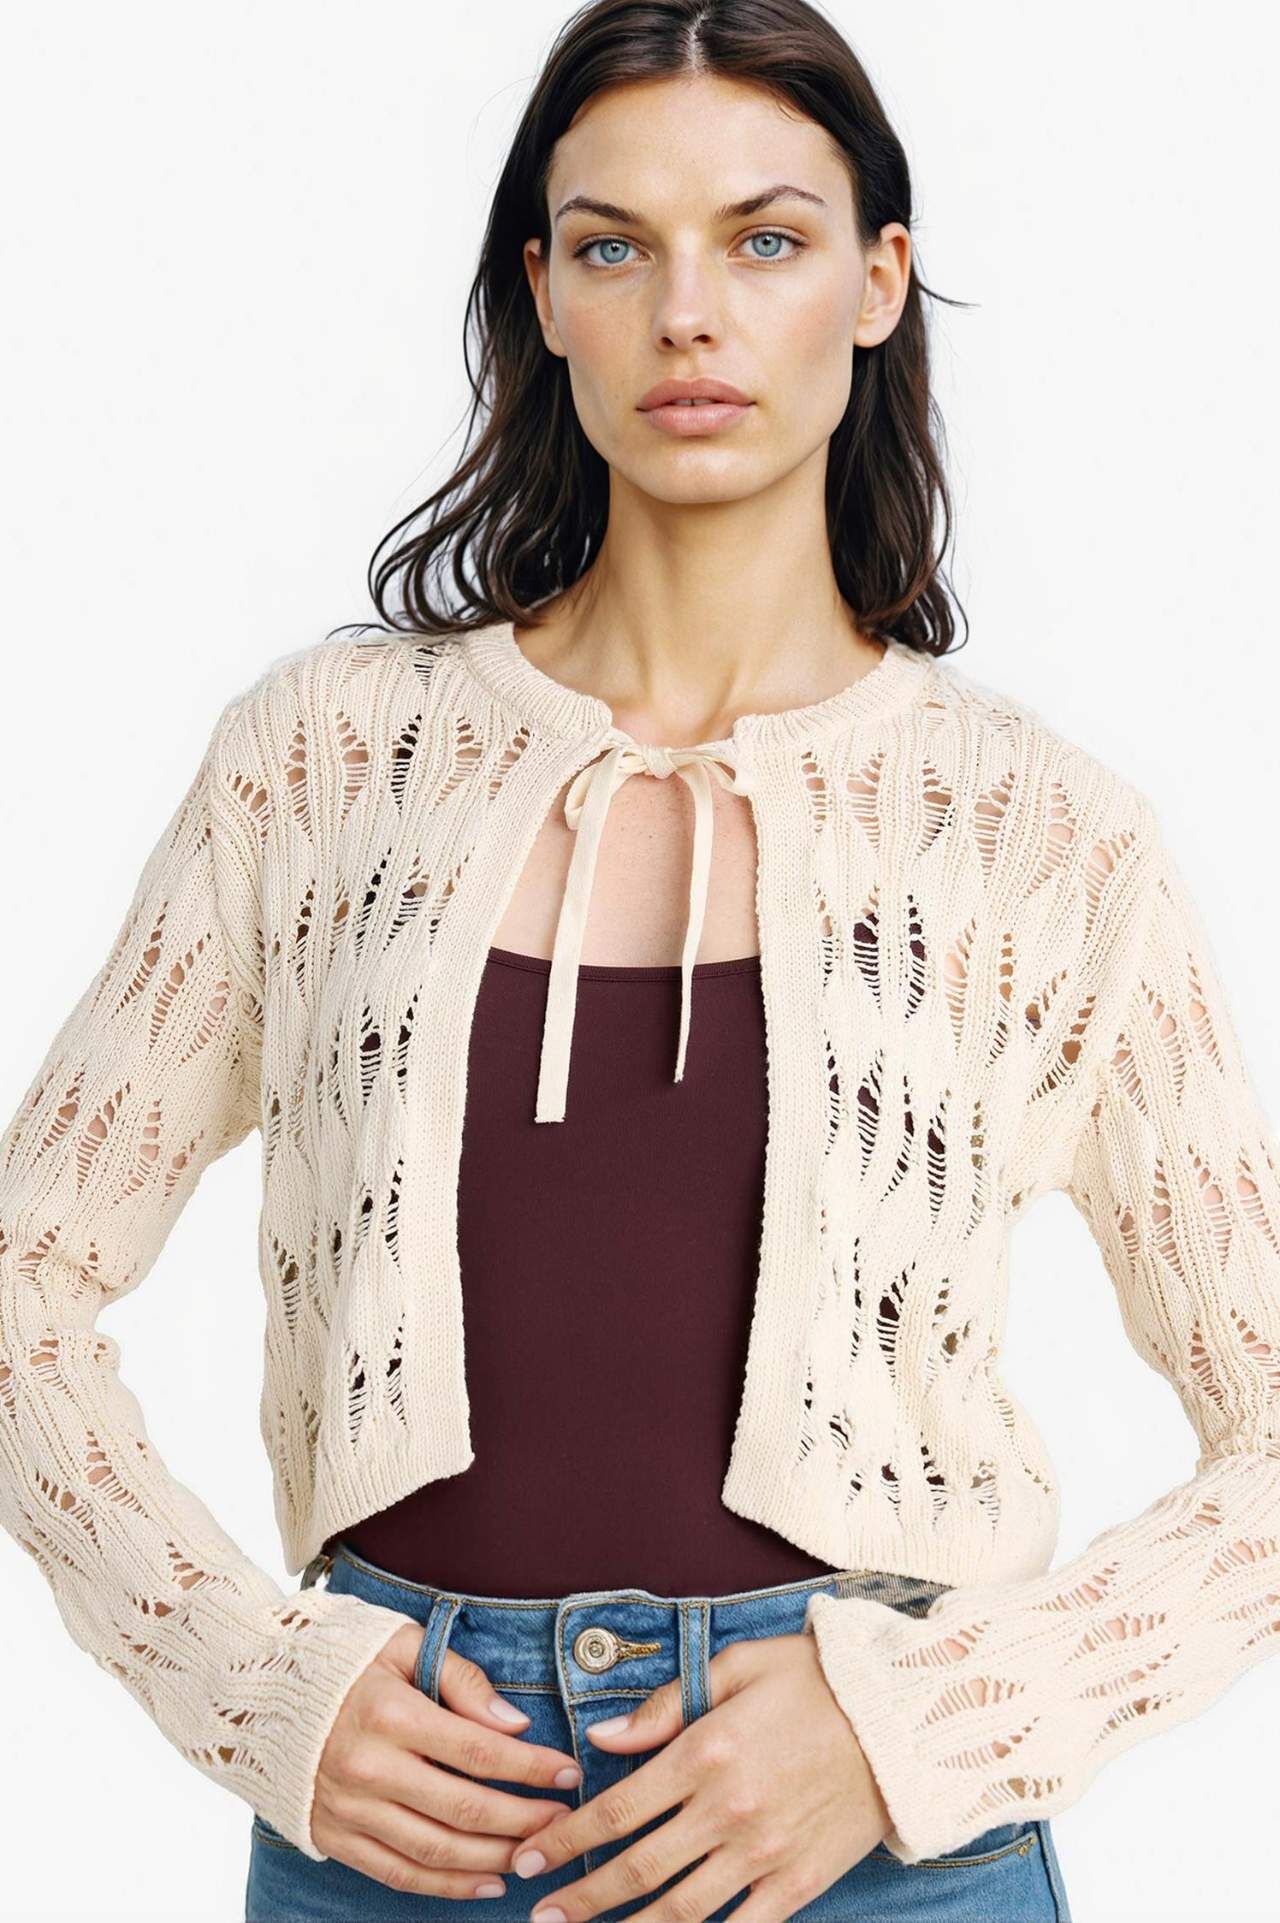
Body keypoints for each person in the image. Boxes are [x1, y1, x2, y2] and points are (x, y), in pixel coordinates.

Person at [1, 3, 1275, 1921]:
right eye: (615, 246)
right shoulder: (325, 764)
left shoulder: (1040, 837)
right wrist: (252, 1688)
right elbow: (22, 1276)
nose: (690, 314)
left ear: (877, 281)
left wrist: (924, 1729)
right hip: (400, 1819)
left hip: (870, 1849)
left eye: (765, 239)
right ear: (545, 293)